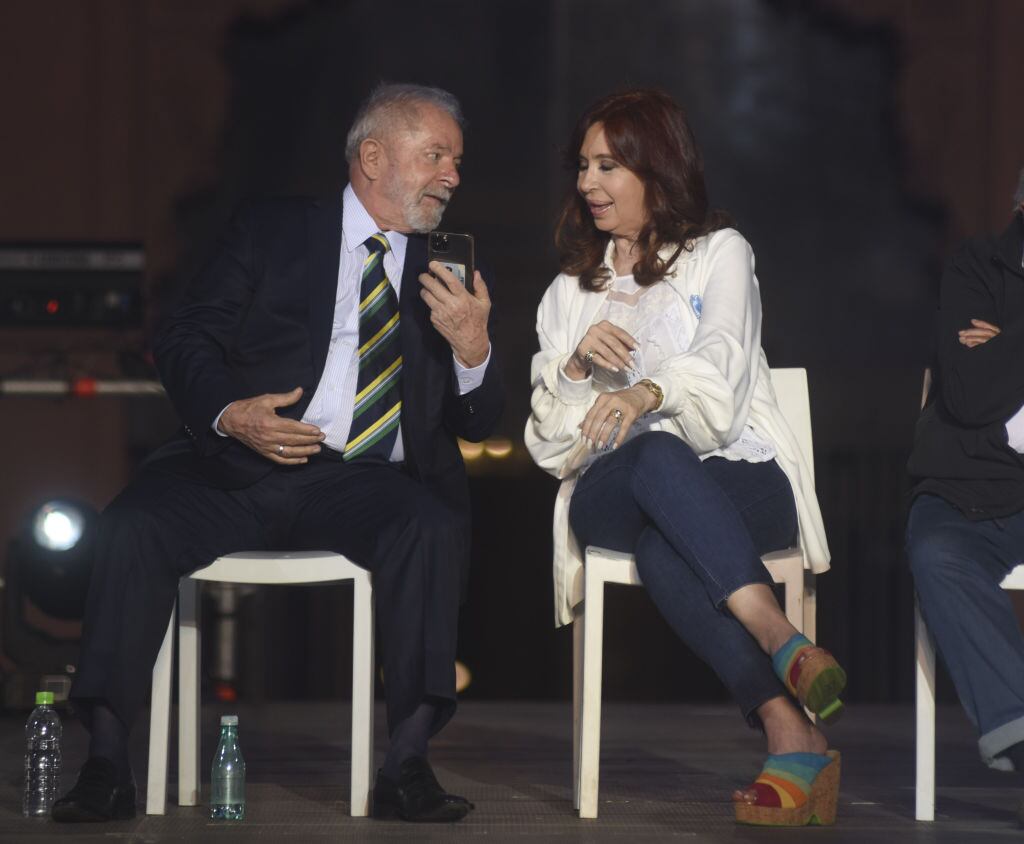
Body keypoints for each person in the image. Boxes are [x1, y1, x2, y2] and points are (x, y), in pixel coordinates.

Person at [53, 83, 502, 824]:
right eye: (436, 156)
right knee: (131, 525)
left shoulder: (448, 273)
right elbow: (184, 335)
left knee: (428, 524)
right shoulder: (273, 229)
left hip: (362, 482)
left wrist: (474, 350)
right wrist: (231, 414)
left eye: (456, 159)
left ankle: (408, 764)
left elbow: (482, 421)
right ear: (372, 157)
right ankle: (104, 762)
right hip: (239, 464)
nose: (453, 175)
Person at [525, 89, 841, 827]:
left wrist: (645, 393)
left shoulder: (719, 254)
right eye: (583, 166)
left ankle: (790, 732)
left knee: (670, 546)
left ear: (656, 170)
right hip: (612, 485)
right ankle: (782, 638)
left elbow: (724, 370)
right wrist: (573, 372)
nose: (587, 183)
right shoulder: (570, 293)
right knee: (654, 459)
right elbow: (547, 447)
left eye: (608, 165)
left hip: (738, 471)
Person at [906, 170, 1024, 819]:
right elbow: (972, 393)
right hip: (971, 483)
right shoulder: (978, 264)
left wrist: (1008, 342)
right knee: (938, 553)